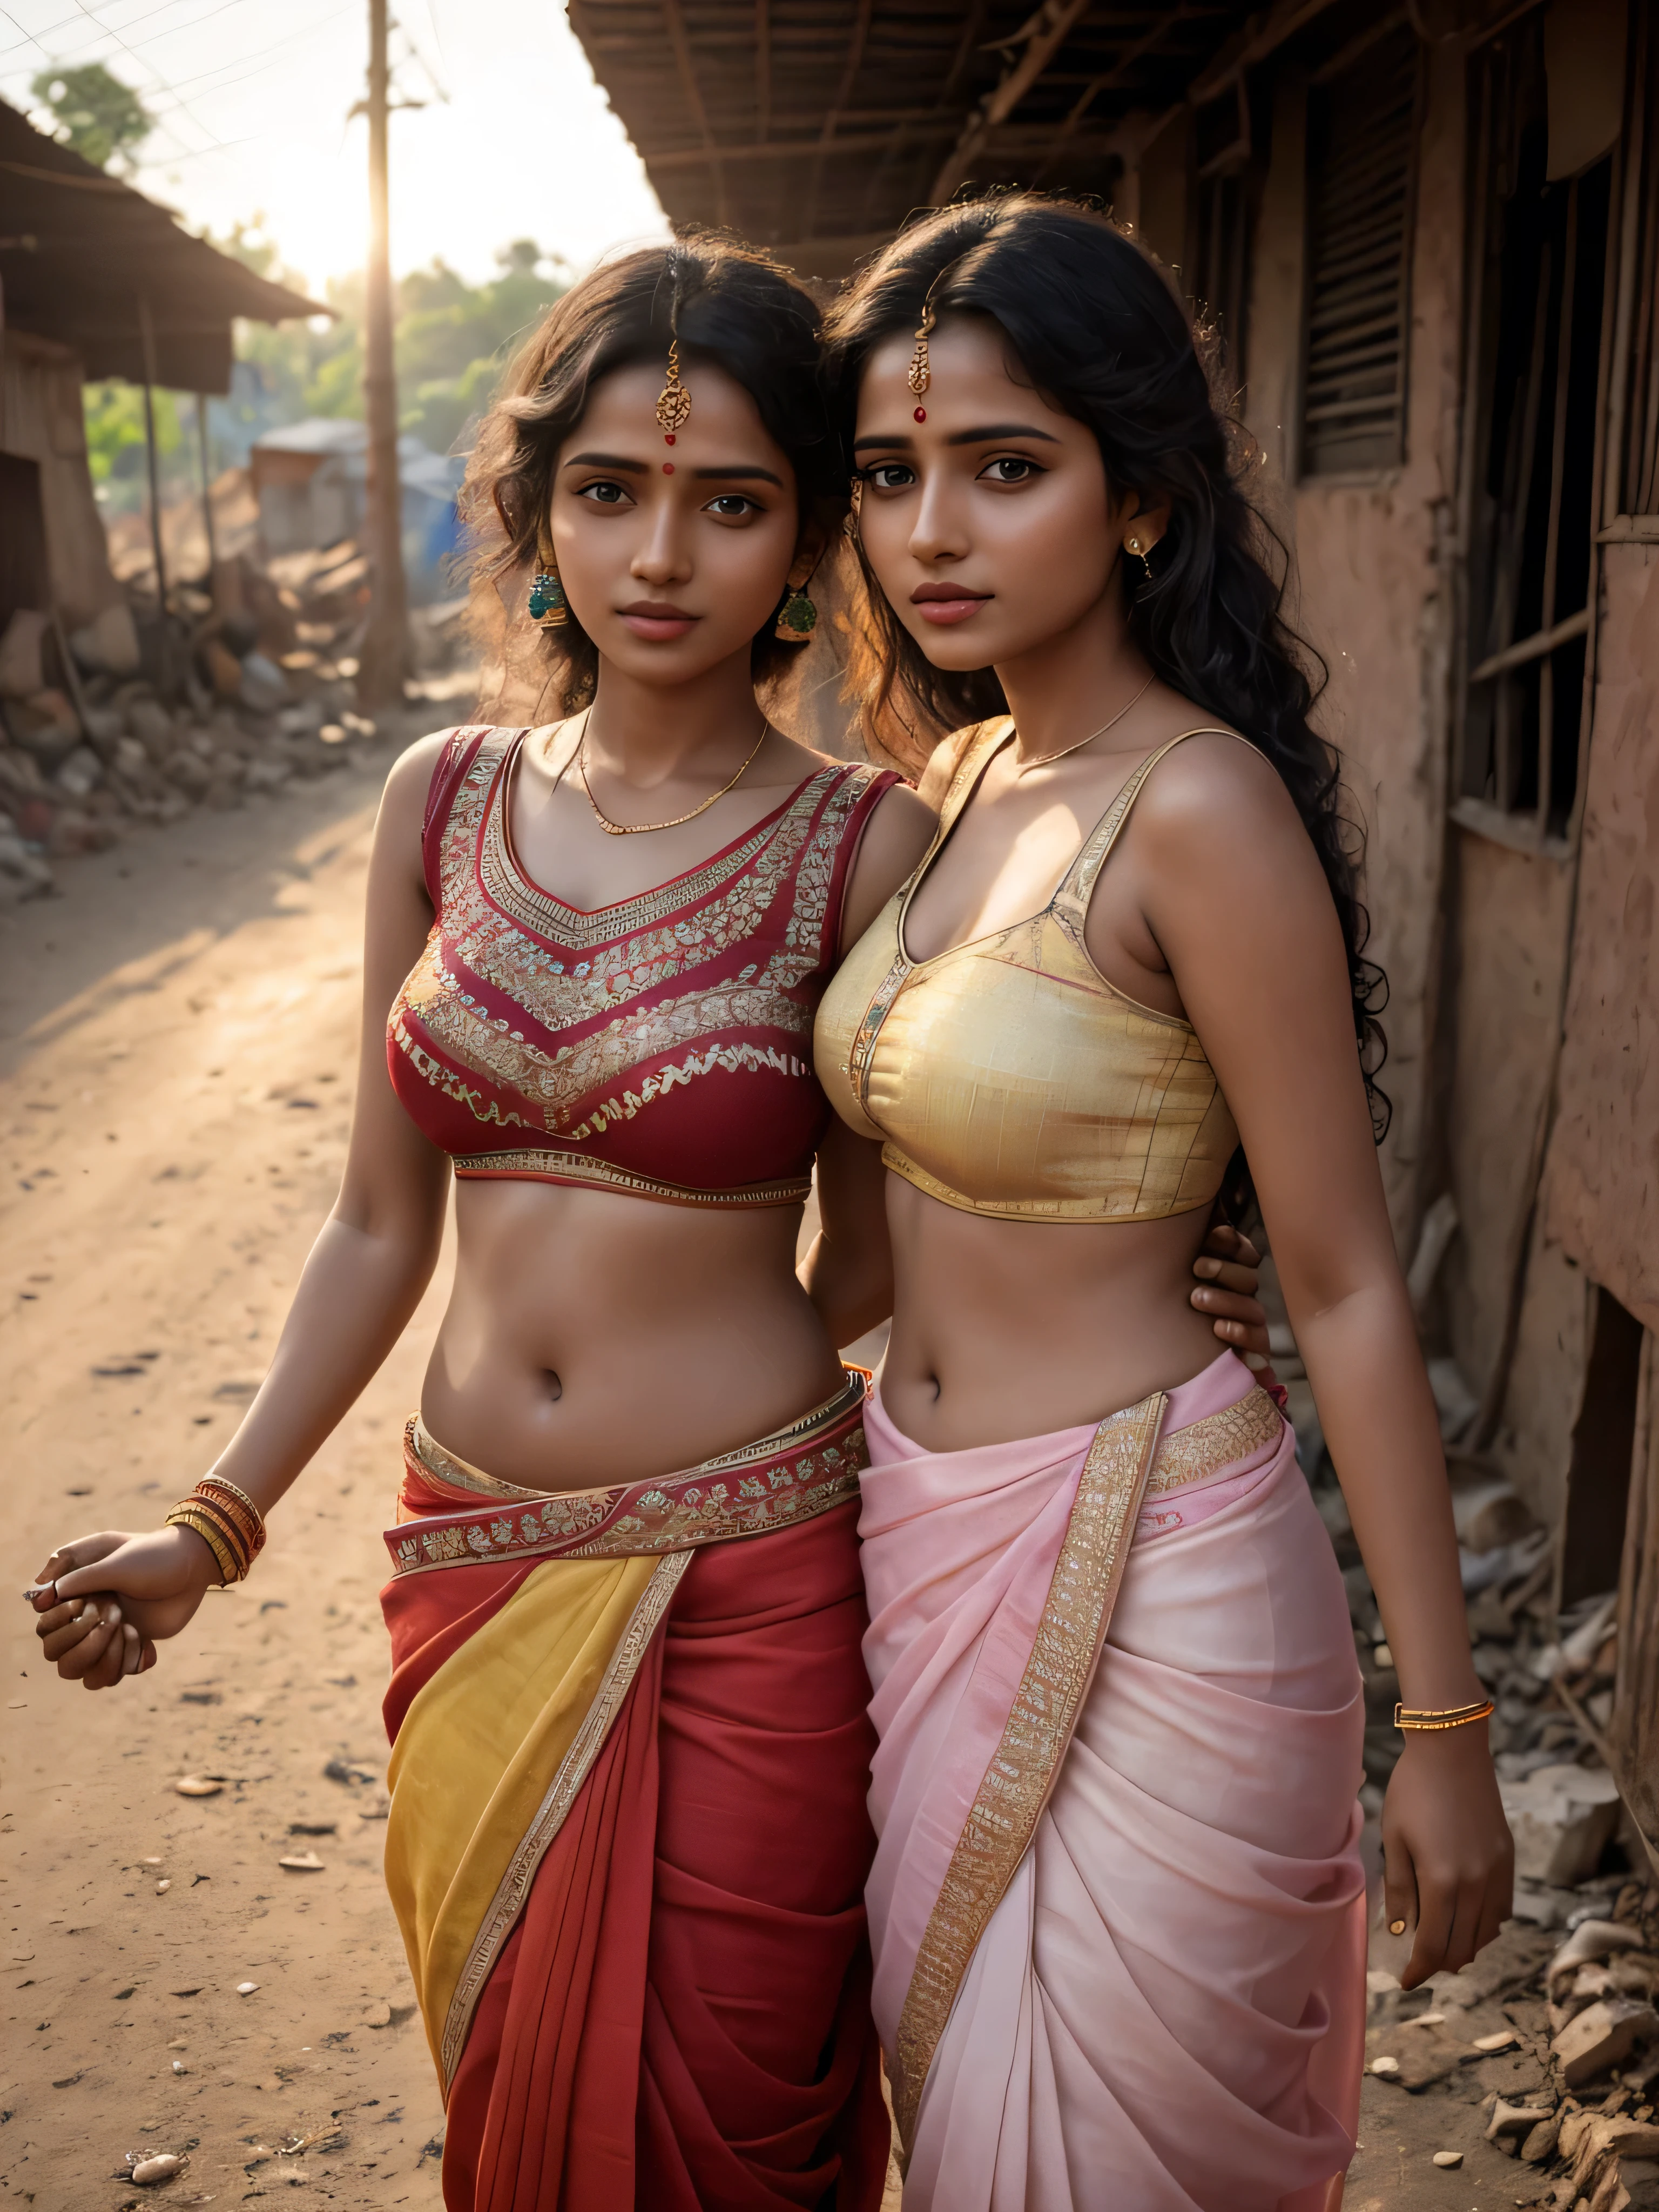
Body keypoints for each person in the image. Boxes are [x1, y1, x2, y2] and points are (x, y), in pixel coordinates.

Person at [25, 234, 1277, 2211]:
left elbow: (930, 1202)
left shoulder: (869, 838)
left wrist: (1178, 1258)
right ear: (539, 514)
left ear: (809, 543)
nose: (662, 556)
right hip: (468, 1557)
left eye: (733, 503)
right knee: (524, 2111)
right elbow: (375, 1228)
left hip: (748, 1577)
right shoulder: (438, 804)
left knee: (728, 2133)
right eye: (609, 492)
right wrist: (216, 1521)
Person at [814, 195, 1513, 2212]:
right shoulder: (946, 789)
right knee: (960, 2133)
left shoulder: (1198, 808)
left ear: (1138, 497)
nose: (933, 530)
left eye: (1003, 467)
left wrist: (1447, 1723)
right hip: (916, 1544)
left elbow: (1346, 1284)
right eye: (889, 476)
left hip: (1158, 1581)